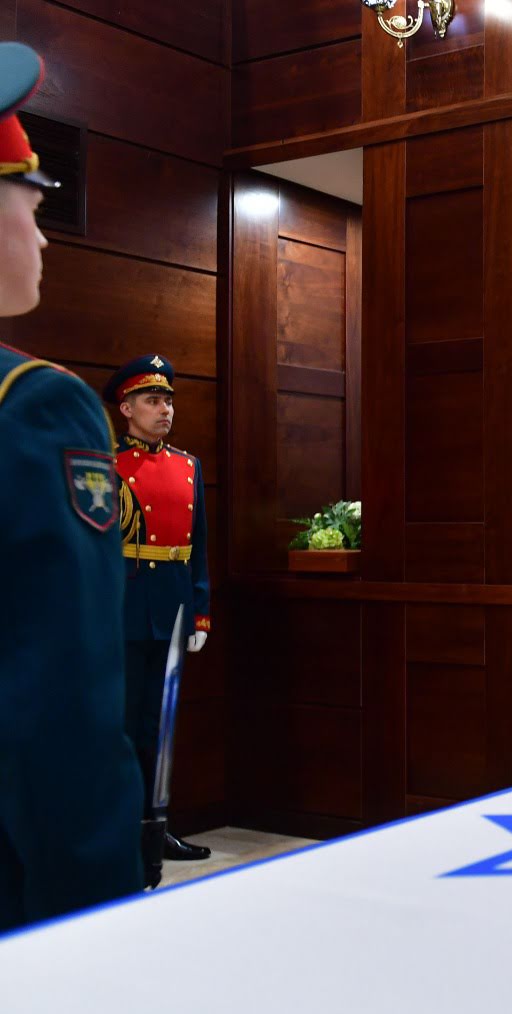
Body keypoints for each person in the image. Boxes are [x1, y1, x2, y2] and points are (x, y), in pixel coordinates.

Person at [0, 42, 144, 931]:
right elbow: (59, 710)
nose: (45, 232)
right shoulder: (34, 407)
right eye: (30, 197)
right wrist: (100, 915)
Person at [104, 354, 213, 863]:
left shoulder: (187, 466)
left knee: (161, 727)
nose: (164, 409)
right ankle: (119, 831)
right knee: (122, 725)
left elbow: (199, 550)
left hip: (171, 607)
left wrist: (200, 611)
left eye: (168, 399)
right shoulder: (107, 467)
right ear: (126, 408)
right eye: (152, 400)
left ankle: (156, 829)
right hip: (123, 606)